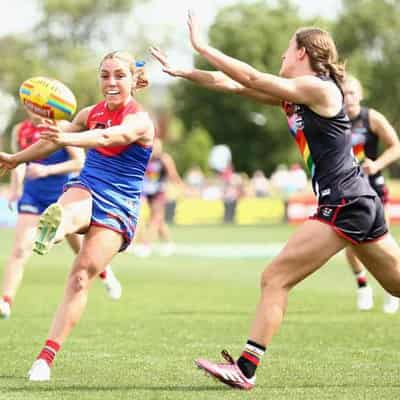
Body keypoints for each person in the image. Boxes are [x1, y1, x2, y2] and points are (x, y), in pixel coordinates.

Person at [151, 12, 400, 390]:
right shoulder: (296, 96)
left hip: (345, 202)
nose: (282, 55)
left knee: (274, 278)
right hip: (356, 202)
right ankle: (245, 368)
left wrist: (202, 47)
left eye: (287, 48)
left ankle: (246, 369)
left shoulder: (320, 88)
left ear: (302, 52)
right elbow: (233, 84)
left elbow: (250, 77)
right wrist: (186, 72)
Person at [0, 51, 154, 381]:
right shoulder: (89, 112)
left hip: (120, 203)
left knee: (82, 274)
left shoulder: (140, 119)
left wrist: (66, 136)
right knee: (71, 210)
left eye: (118, 75)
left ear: (131, 80)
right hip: (88, 183)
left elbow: (109, 137)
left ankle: (46, 357)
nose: (110, 82)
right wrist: (16, 158)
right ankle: (55, 228)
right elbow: (48, 143)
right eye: (104, 75)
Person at [0, 111, 122, 320]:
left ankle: (104, 271)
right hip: (32, 197)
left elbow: (78, 162)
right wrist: (15, 189)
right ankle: (6, 301)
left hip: (61, 198)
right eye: (29, 104)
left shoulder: (63, 127)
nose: (34, 109)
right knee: (20, 250)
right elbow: (20, 163)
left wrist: (47, 171)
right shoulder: (20, 130)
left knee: (80, 249)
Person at [343, 75, 400, 313]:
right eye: (343, 93)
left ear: (361, 94)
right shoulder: (331, 118)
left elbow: (396, 147)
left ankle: (392, 290)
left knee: (380, 240)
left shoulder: (371, 118)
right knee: (349, 241)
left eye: (352, 93)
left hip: (373, 188)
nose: (348, 98)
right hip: (345, 189)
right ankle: (363, 286)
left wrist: (376, 165)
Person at [133, 137, 182, 257]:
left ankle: (146, 245)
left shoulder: (164, 159)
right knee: (159, 220)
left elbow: (173, 175)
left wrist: (179, 188)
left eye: (158, 146)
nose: (156, 149)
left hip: (160, 192)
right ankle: (169, 244)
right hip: (148, 193)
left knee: (154, 219)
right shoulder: (146, 158)